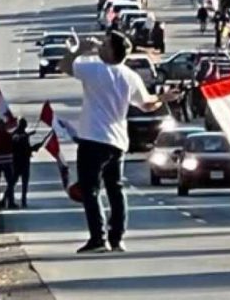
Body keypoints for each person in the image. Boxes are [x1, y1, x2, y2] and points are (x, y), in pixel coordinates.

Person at [59, 32, 180, 253]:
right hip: (117, 142)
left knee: (91, 190)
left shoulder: (94, 69)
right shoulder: (130, 75)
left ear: (112, 50)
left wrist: (79, 49)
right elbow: (146, 105)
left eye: (104, 44)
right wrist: (163, 98)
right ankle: (117, 238)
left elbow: (64, 66)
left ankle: (98, 238)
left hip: (93, 138)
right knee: (115, 188)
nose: (100, 46)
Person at [11, 119, 42, 208]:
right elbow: (17, 142)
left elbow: (27, 149)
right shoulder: (16, 134)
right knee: (13, 182)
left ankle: (23, 200)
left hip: (24, 162)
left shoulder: (23, 135)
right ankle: (8, 199)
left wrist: (34, 148)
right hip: (17, 162)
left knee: (24, 183)